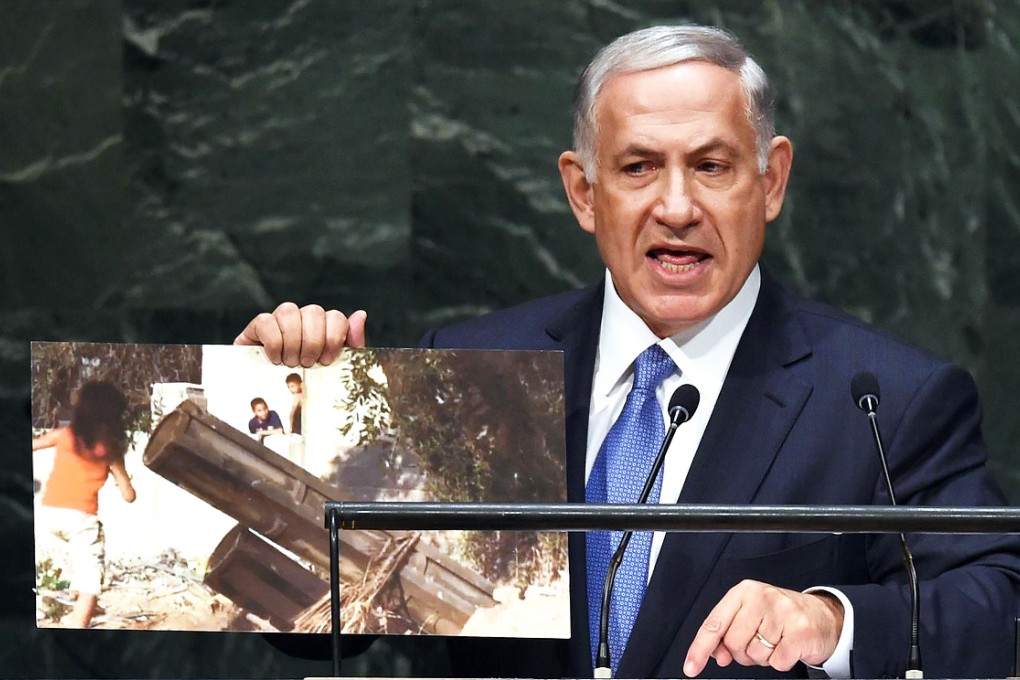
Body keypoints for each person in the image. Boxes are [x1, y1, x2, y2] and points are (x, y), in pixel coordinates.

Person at [235, 24, 1020, 679]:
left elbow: (997, 606)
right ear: (583, 191)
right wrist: (270, 418)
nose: (676, 207)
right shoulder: (471, 368)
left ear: (771, 180)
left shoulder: (883, 398)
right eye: (639, 167)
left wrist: (830, 618)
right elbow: (322, 625)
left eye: (710, 166)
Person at [33, 380, 137, 628]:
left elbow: (32, 445)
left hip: (50, 513)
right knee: (92, 577)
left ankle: (79, 600)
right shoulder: (110, 451)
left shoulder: (63, 435)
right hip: (80, 519)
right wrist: (123, 480)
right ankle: (79, 624)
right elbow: (128, 495)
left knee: (80, 555)